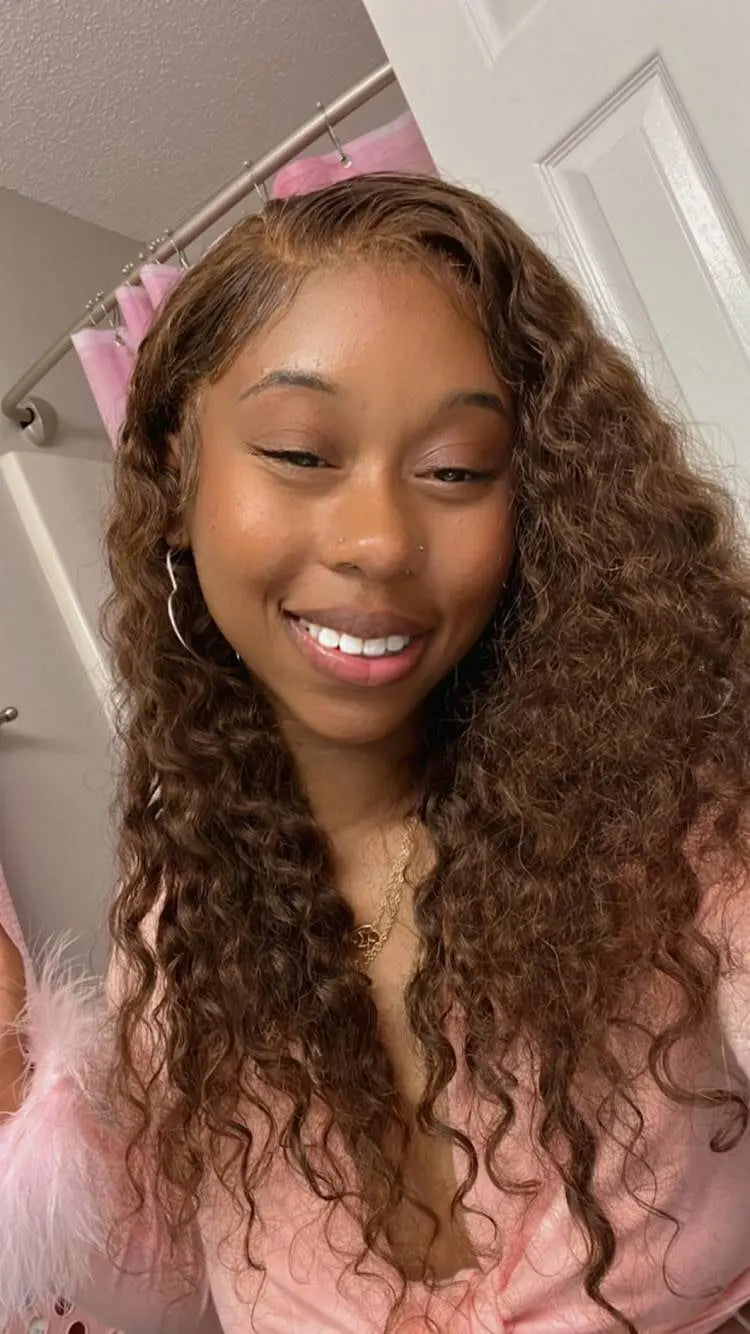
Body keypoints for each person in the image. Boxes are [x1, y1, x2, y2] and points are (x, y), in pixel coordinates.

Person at [2, 172, 750, 1334]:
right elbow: (150, 1271)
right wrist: (17, 1078)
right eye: (302, 453)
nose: (380, 541)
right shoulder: (174, 924)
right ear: (179, 476)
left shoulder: (674, 807)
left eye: (455, 469)